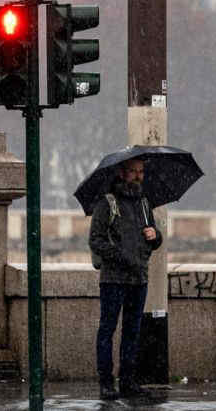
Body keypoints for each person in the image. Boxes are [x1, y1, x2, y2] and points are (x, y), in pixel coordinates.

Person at [88, 157, 162, 400]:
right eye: (133, 171)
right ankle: (106, 382)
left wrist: (155, 235)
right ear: (122, 173)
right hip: (114, 278)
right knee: (107, 330)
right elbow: (96, 240)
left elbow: (153, 239)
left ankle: (128, 381)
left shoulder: (143, 203)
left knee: (132, 331)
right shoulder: (107, 203)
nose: (139, 176)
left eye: (141, 171)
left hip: (138, 277)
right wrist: (122, 257)